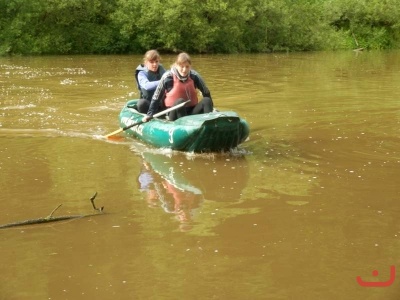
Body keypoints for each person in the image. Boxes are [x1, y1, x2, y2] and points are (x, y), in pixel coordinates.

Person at [142, 52, 213, 122]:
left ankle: (210, 124)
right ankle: (184, 126)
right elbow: (156, 97)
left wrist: (211, 108)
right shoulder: (168, 77)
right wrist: (150, 114)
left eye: (187, 66)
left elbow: (206, 92)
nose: (184, 70)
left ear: (190, 66)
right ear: (176, 65)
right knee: (180, 102)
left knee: (207, 100)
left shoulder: (194, 75)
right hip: (174, 113)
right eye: (182, 66)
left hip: (192, 111)